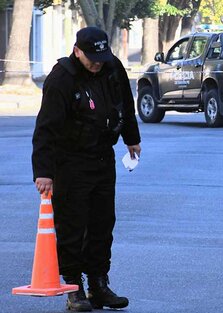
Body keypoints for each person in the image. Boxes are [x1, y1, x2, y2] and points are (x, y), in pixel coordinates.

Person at [32, 27, 141, 312]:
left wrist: (132, 138)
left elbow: (125, 104)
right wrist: (43, 171)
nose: (97, 63)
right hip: (70, 161)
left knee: (103, 224)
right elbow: (45, 129)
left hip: (103, 156)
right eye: (92, 57)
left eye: (101, 57)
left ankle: (99, 284)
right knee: (72, 226)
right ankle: (74, 287)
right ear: (77, 51)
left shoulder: (111, 67)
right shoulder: (62, 79)